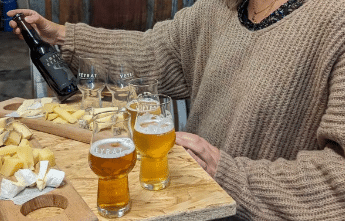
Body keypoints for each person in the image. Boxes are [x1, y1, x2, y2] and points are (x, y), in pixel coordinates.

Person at [8, 0, 345, 219]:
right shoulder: (221, 7)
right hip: (188, 201)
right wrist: (64, 36)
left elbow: (339, 178)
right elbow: (154, 51)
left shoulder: (335, 20)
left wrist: (227, 175)